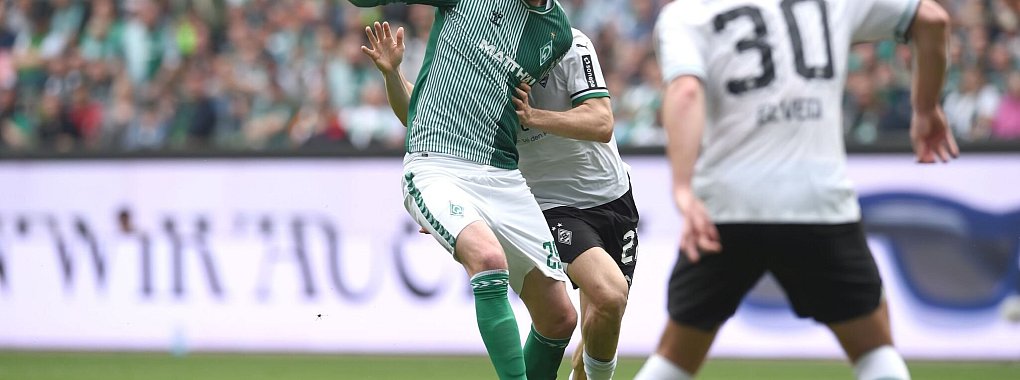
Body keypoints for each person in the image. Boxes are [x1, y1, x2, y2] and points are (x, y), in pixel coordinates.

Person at [635, 0, 957, 379]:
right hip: (816, 202)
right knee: (874, 349)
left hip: (726, 207)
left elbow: (686, 92)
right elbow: (933, 19)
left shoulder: (687, 13)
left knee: (676, 356)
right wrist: (925, 108)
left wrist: (683, 190)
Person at [361, 20, 639, 380]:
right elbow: (421, 115)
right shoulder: (488, 60)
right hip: (550, 207)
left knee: (596, 332)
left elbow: (601, 122)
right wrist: (393, 75)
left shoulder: (572, 45)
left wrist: (535, 117)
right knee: (609, 295)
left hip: (614, 198)